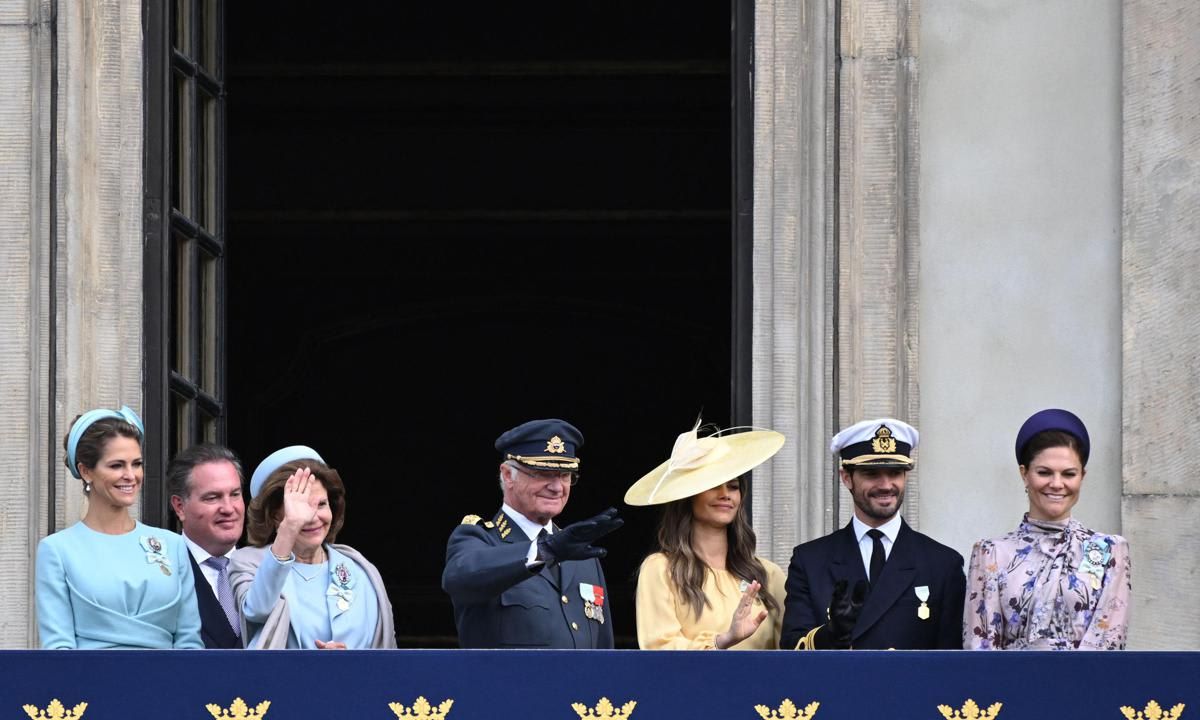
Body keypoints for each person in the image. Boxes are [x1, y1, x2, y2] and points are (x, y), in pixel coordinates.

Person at [781, 418, 965, 649]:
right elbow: (791, 648)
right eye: (872, 474)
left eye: (895, 473)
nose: (886, 485)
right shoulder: (810, 561)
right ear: (846, 478)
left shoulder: (943, 564)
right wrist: (831, 635)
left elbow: (951, 662)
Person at [442, 419, 623, 648]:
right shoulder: (479, 539)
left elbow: (604, 648)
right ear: (508, 475)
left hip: (581, 685)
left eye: (565, 475)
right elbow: (459, 579)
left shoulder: (580, 552)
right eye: (543, 473)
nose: (557, 487)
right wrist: (543, 551)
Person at [36, 406, 203, 649]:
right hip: (89, 684)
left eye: (136, 464)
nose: (130, 475)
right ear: (86, 471)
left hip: (166, 684)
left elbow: (190, 643)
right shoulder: (57, 550)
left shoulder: (173, 545)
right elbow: (59, 651)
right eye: (116, 466)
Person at [964, 409, 1131, 650]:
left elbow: (1109, 643)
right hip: (1009, 685)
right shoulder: (991, 553)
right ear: (1025, 474)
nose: (1056, 484)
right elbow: (980, 649)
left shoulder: (1109, 550)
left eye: (1068, 474)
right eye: (1044, 472)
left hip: (1088, 685)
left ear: (1082, 476)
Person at [626, 423, 788, 649]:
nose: (725, 495)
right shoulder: (660, 570)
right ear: (687, 495)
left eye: (733, 487)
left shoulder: (769, 574)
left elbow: (793, 655)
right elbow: (658, 651)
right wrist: (722, 641)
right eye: (713, 485)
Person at [229, 446, 396, 649]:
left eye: (321, 504)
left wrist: (351, 662)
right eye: (300, 508)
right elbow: (257, 610)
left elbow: (386, 655)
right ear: (274, 515)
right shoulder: (249, 562)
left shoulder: (360, 569)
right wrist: (290, 527)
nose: (313, 518)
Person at [167, 443, 246, 648]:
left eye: (235, 494)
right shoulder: (163, 571)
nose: (229, 508)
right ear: (180, 506)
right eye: (213, 497)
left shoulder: (267, 567)